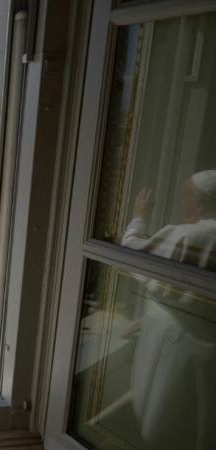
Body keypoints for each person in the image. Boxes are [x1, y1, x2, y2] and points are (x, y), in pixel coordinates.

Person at [121, 171, 216, 450]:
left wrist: (139, 216)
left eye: (184, 199)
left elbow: (132, 253)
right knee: (198, 416)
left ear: (198, 203)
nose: (181, 206)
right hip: (206, 343)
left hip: (175, 343)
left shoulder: (192, 235)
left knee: (161, 414)